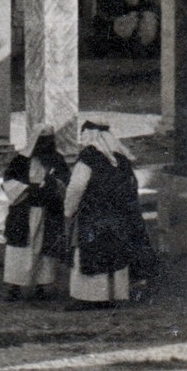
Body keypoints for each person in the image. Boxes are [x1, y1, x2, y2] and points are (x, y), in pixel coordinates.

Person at [64, 121, 154, 308]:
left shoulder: (88, 158)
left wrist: (69, 209)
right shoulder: (121, 159)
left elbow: (76, 187)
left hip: (93, 216)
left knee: (91, 253)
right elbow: (131, 187)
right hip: (119, 217)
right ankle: (114, 295)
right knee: (115, 253)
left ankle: (89, 298)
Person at [1, 126, 69, 301]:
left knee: (45, 250)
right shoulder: (20, 161)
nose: (45, 146)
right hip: (24, 211)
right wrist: (28, 190)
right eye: (42, 142)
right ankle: (14, 286)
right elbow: (9, 182)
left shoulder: (57, 160)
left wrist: (53, 185)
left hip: (47, 211)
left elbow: (65, 182)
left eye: (49, 142)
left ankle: (41, 286)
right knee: (19, 250)